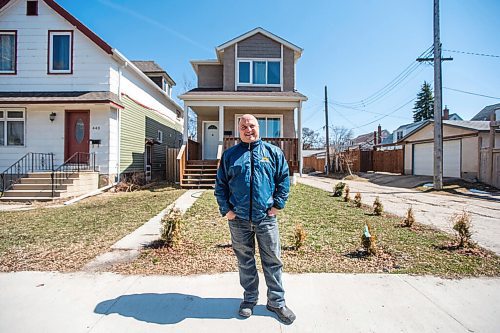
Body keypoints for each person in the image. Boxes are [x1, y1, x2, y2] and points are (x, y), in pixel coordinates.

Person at [215, 114, 296, 324]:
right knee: (245, 262)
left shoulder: (273, 153)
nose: (248, 129)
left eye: (251, 125)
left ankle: (276, 302)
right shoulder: (230, 155)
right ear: (238, 130)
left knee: (273, 261)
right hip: (239, 219)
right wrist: (227, 210)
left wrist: (278, 204)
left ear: (258, 127)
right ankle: (249, 299)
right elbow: (220, 185)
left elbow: (283, 180)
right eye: (243, 126)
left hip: (265, 219)